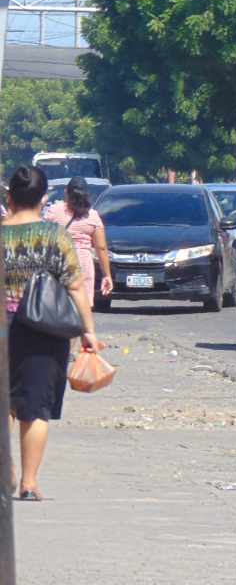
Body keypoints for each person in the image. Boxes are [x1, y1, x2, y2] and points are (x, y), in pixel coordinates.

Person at [3, 166, 105, 501]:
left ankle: (7, 473)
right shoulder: (55, 236)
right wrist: (88, 331)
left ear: (9, 198)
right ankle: (29, 483)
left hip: (4, 329)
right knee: (36, 408)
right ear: (44, 199)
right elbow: (75, 287)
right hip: (44, 332)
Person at [45, 177, 113, 308]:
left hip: (59, 261)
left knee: (58, 306)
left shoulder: (54, 211)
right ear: (86, 194)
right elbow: (101, 248)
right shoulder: (92, 216)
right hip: (83, 264)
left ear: (66, 192)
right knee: (82, 305)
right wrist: (107, 275)